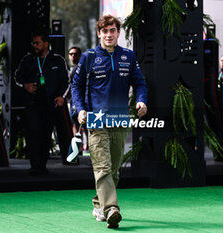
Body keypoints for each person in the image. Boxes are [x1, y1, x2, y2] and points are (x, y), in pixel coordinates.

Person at [71, 15, 147, 228]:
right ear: (99, 34)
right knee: (102, 167)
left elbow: (139, 83)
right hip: (96, 120)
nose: (109, 35)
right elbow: (76, 86)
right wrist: (81, 109)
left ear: (118, 33)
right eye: (105, 32)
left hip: (120, 119)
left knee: (114, 169)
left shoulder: (128, 56)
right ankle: (112, 208)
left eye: (112, 31)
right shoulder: (89, 57)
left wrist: (141, 101)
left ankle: (99, 202)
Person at [14, 31, 72, 175]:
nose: (35, 45)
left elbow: (67, 81)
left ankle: (42, 165)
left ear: (46, 44)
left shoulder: (58, 60)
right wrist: (25, 85)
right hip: (32, 104)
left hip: (50, 104)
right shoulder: (28, 59)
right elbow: (17, 77)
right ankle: (34, 165)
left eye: (37, 43)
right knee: (33, 133)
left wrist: (61, 97)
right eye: (33, 43)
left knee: (46, 135)